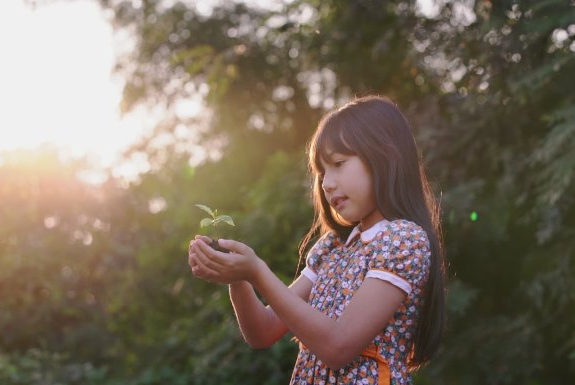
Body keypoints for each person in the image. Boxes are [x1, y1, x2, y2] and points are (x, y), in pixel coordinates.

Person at [188, 95, 446, 385]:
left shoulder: (403, 241)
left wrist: (257, 271)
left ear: (385, 157)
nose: (327, 183)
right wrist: (238, 278)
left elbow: (338, 347)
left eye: (338, 163)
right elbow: (263, 331)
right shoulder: (332, 250)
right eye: (322, 172)